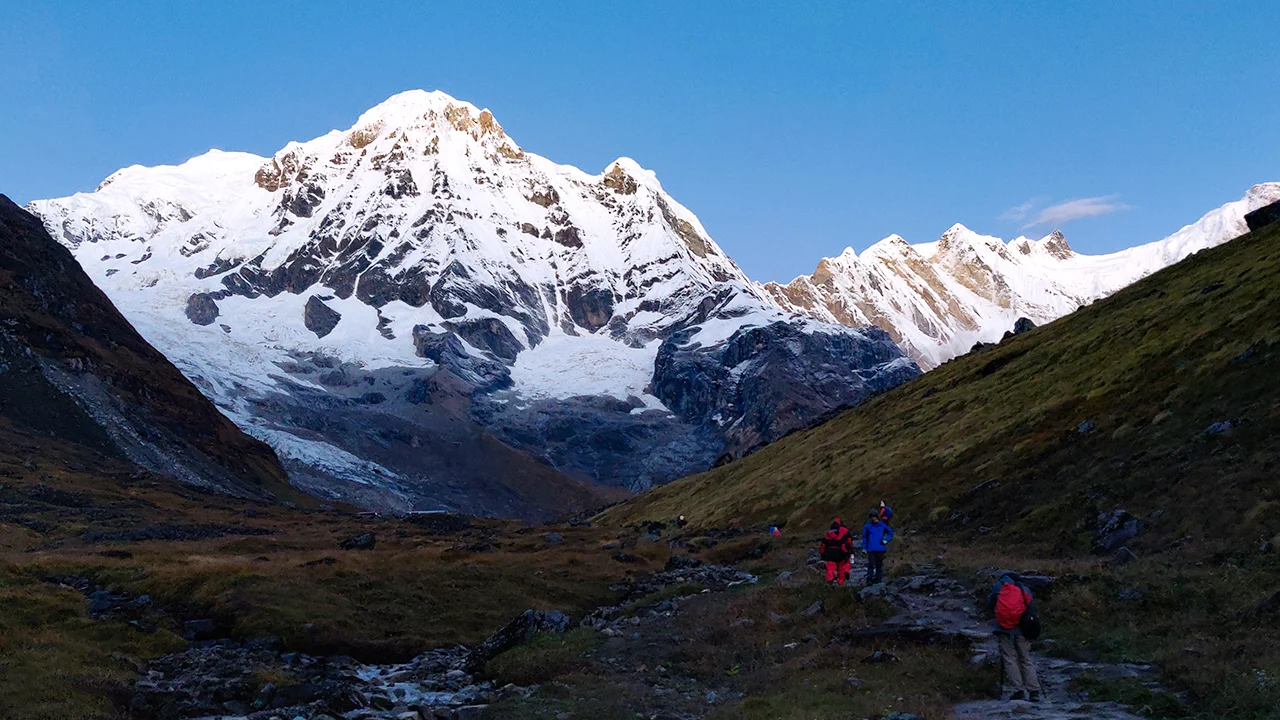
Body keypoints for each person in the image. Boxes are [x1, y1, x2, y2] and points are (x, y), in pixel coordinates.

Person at [986, 572, 1041, 702]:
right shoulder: (1024, 589)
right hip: (1022, 629)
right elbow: (1030, 608)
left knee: (1009, 658)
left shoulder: (998, 586)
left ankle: (1018, 690)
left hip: (1003, 629)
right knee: (1025, 659)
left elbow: (990, 604)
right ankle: (1034, 691)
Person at [861, 508, 894, 585]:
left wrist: (886, 540)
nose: (873, 518)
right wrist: (864, 547)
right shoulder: (867, 526)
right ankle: (869, 579)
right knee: (871, 564)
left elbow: (890, 532)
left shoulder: (882, 525)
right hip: (871, 548)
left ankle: (878, 579)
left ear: (877, 517)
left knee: (879, 564)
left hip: (880, 548)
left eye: (875, 516)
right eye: (872, 517)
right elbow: (865, 537)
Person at [818, 518, 854, 586]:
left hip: (829, 555)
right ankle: (841, 581)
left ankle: (830, 579)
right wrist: (848, 552)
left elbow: (823, 546)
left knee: (830, 568)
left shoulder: (826, 535)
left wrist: (822, 554)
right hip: (839, 555)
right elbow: (844, 545)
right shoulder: (841, 535)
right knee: (842, 567)